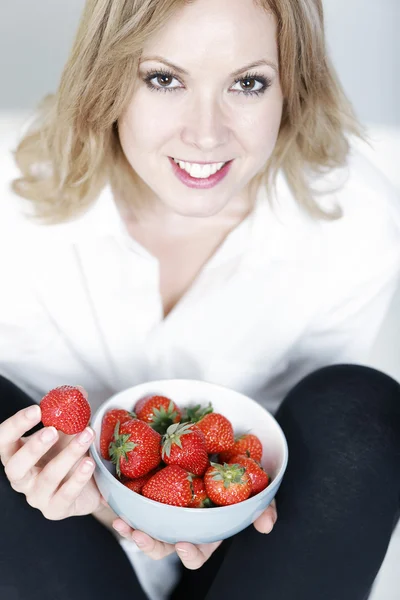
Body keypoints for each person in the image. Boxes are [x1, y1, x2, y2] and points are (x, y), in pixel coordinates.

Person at [0, 0, 399, 599]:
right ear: (107, 78)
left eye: (248, 83)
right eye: (165, 79)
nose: (206, 133)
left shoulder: (358, 220)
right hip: (57, 528)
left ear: (291, 86)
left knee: (360, 406)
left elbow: (313, 447)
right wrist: (97, 499)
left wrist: (219, 503)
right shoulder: (13, 204)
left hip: (238, 538)